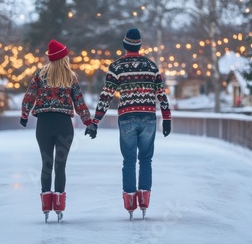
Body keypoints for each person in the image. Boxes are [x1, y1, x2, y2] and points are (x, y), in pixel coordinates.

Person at [85, 28, 171, 220]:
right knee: (146, 159)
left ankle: (130, 202)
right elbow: (161, 94)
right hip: (148, 117)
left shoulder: (117, 67)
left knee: (129, 160)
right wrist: (167, 118)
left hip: (127, 117)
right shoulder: (151, 66)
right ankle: (144, 202)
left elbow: (106, 95)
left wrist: (95, 122)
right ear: (140, 45)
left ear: (125, 45)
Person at [20, 39, 92, 222]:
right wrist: (88, 122)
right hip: (63, 125)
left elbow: (29, 95)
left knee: (46, 164)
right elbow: (80, 102)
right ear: (63, 58)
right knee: (60, 166)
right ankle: (59, 206)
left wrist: (25, 114)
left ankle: (46, 206)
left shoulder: (39, 75)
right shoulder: (70, 77)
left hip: (44, 124)